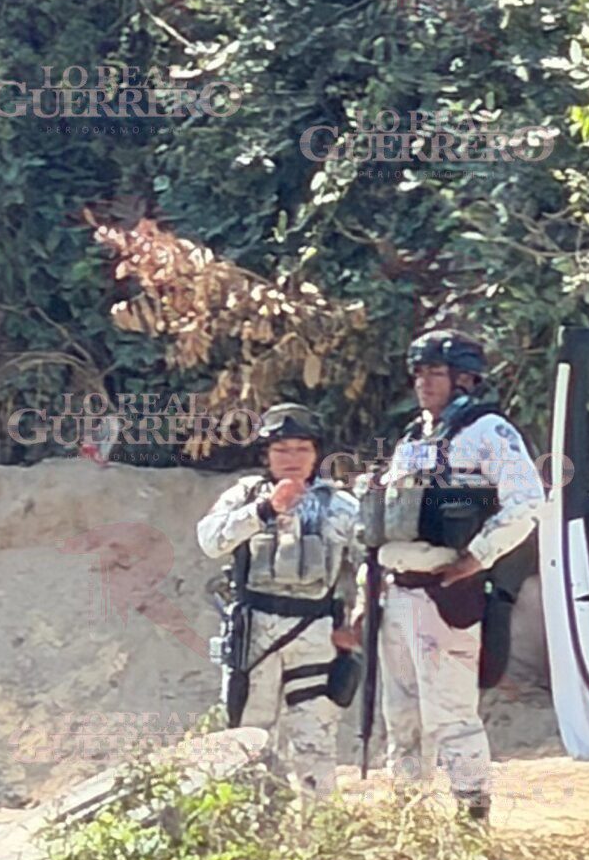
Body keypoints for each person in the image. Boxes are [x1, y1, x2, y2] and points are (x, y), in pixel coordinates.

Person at [357, 329, 544, 822]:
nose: (423, 383)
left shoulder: (488, 432)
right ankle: (409, 820)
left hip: (445, 593)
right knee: (401, 720)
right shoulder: (413, 439)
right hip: (395, 592)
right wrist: (366, 591)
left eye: (434, 373)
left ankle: (471, 820)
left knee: (453, 718)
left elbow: (527, 503)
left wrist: (478, 557)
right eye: (418, 373)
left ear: (464, 377)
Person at [194, 405, 365, 797]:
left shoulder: (340, 505)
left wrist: (356, 620)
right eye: (281, 450)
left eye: (302, 449)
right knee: (246, 742)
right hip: (254, 636)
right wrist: (264, 510)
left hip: (315, 638)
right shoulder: (245, 495)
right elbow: (209, 541)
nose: (292, 460)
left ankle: (317, 839)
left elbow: (369, 564)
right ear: (266, 455)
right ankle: (247, 830)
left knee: (314, 742)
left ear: (316, 454)